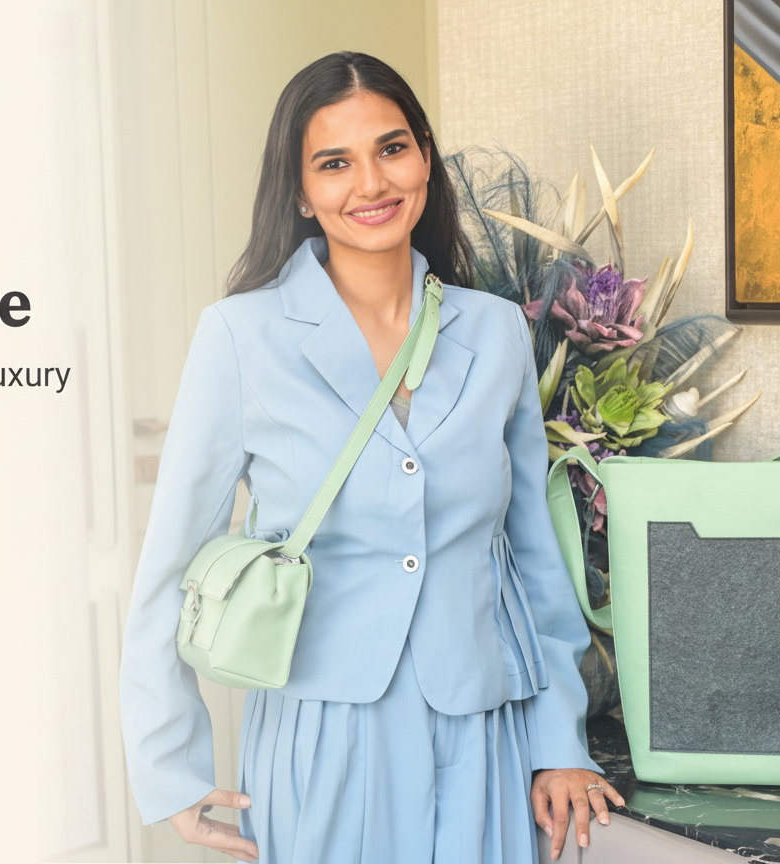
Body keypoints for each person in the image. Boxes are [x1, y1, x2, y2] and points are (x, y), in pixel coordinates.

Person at [118, 51, 623, 864]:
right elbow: (169, 565)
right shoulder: (242, 336)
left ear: (424, 154)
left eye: (391, 148)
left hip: (482, 729)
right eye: (334, 163)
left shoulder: (495, 330)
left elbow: (534, 555)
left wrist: (558, 737)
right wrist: (168, 765)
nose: (371, 184)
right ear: (300, 192)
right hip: (323, 737)